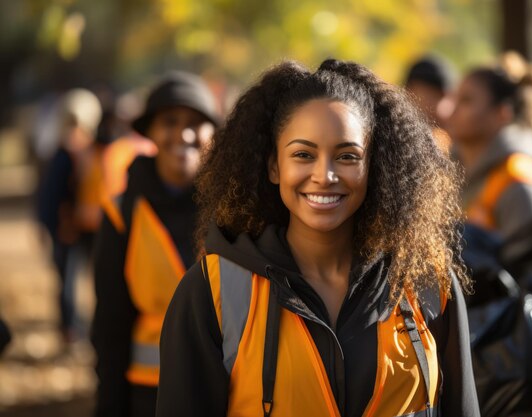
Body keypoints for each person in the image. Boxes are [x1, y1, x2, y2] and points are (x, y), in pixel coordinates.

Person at [157, 59, 479, 417]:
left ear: (374, 166)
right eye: (303, 155)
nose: (324, 175)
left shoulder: (427, 282)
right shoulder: (213, 291)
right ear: (274, 167)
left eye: (347, 156)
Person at [91, 71, 221, 417]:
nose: (184, 133)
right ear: (149, 131)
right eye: (170, 120)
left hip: (224, 388)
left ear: (214, 134)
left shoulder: (232, 212)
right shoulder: (122, 213)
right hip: (149, 393)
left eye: (197, 122)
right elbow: (109, 325)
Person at [444, 52, 532, 238]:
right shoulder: (449, 176)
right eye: (454, 98)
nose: (450, 110)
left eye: (466, 101)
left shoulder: (521, 185)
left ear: (502, 114)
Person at [35, 88, 102, 343]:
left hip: (90, 226)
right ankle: (70, 328)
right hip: (67, 230)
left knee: (92, 279)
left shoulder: (95, 152)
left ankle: (83, 326)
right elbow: (50, 196)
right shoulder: (61, 156)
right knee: (68, 279)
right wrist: (52, 225)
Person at [405, 55, 454, 152]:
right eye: (434, 96)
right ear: (410, 92)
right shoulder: (393, 136)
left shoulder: (448, 141)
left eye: (447, 98)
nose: (445, 107)